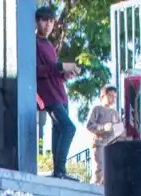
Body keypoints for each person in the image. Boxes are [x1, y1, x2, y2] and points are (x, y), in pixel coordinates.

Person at [34, 6, 79, 180]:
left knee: (60, 129)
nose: (48, 24)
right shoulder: (34, 43)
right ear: (37, 21)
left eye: (51, 21)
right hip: (48, 94)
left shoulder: (50, 45)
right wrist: (61, 67)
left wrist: (65, 74)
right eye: (44, 20)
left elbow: (54, 72)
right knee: (69, 127)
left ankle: (58, 171)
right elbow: (37, 71)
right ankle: (60, 170)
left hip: (60, 92)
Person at [84, 86, 124, 185]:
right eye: (110, 96)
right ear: (103, 96)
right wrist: (102, 128)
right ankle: (95, 188)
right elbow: (89, 125)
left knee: (110, 171)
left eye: (115, 97)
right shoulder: (97, 109)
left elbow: (119, 130)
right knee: (99, 169)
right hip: (99, 143)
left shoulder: (115, 113)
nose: (113, 99)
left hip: (111, 145)